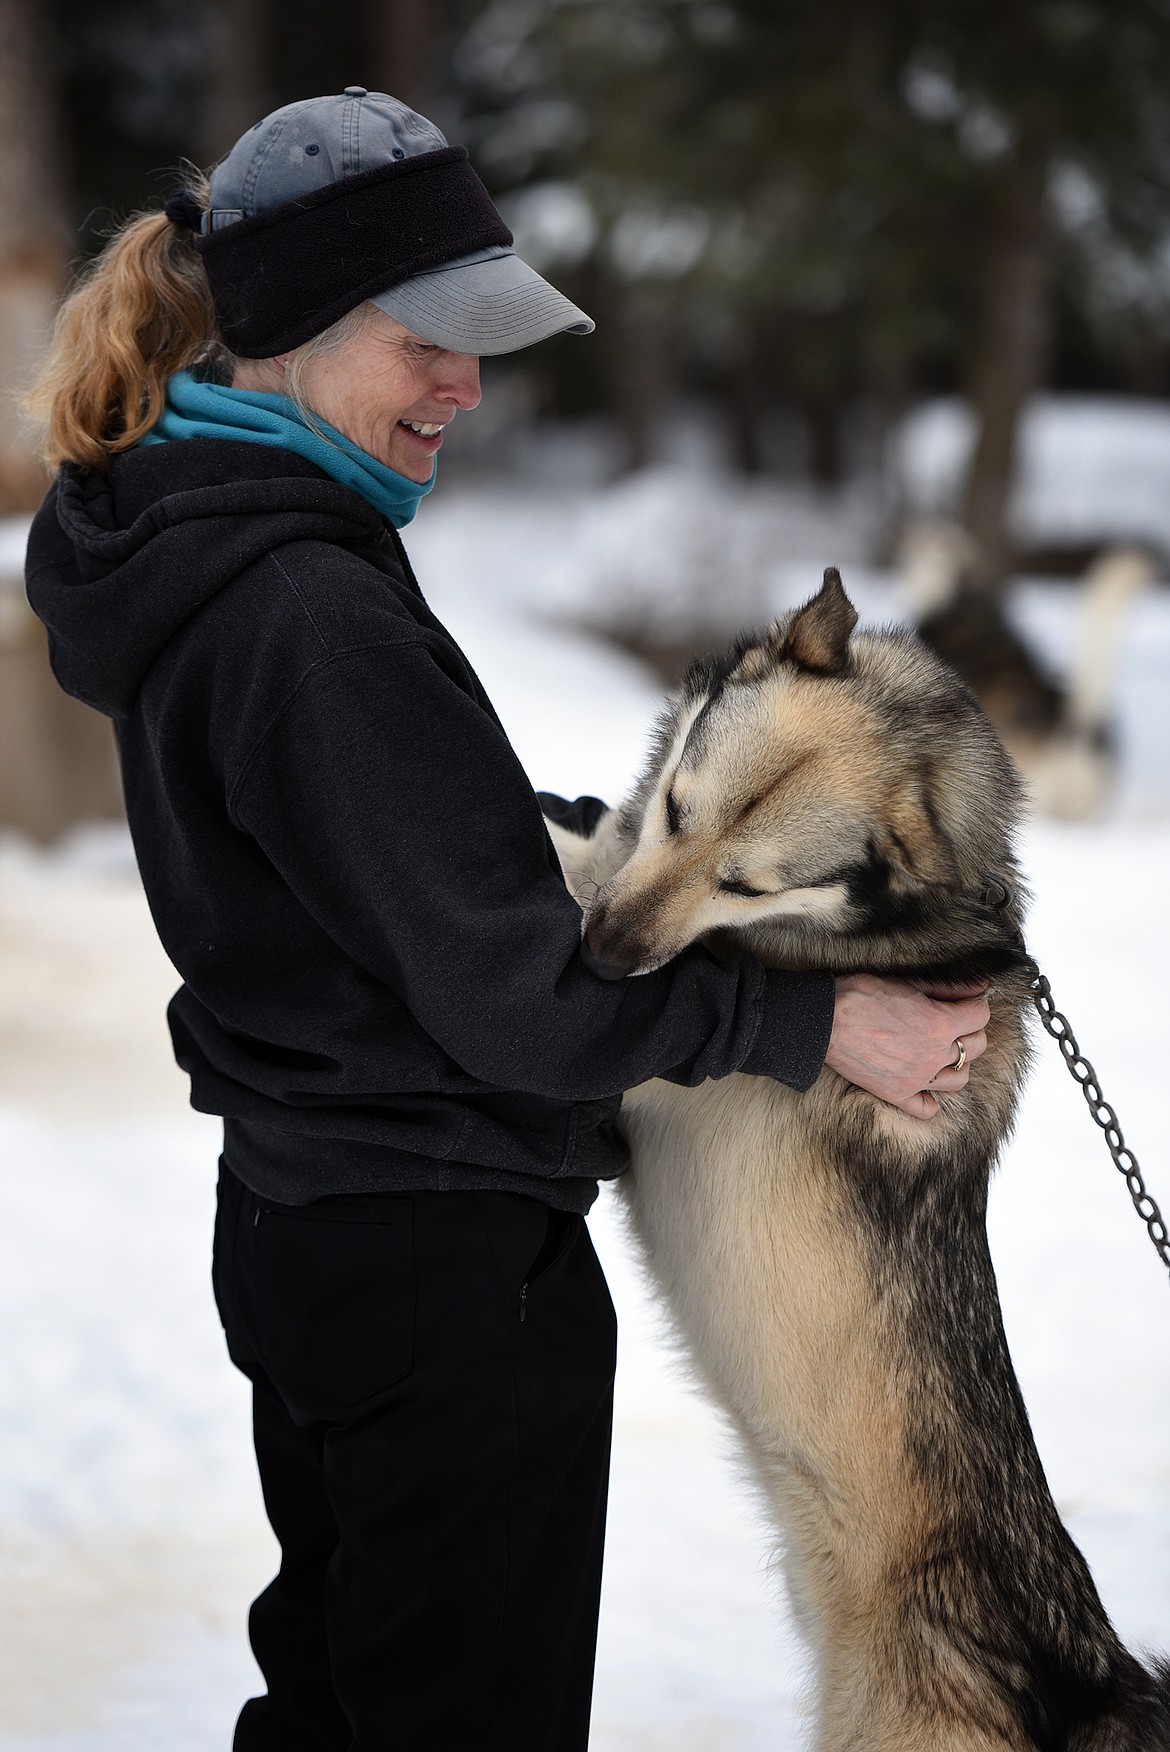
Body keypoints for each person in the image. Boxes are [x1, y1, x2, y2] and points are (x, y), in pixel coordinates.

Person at [23, 89, 989, 1752]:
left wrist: (583, 842)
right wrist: (814, 1021)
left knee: (343, 1699)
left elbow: (364, 856)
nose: (467, 387)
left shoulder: (212, 541)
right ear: (302, 327)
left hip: (314, 1222)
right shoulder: (305, 608)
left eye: (484, 342)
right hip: (444, 1270)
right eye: (429, 341)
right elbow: (520, 1006)